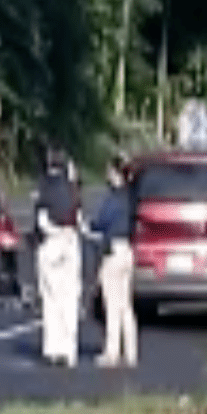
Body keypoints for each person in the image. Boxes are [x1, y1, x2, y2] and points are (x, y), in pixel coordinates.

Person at [32, 146, 84, 367]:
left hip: (52, 243)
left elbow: (41, 221)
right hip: (71, 242)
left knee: (50, 297)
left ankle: (52, 348)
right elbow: (80, 220)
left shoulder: (44, 186)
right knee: (70, 297)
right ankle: (69, 349)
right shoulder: (72, 190)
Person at [89, 155, 139, 368]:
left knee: (111, 304)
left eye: (110, 171)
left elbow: (100, 222)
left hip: (113, 253)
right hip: (128, 250)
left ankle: (112, 353)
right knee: (125, 305)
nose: (107, 175)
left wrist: (90, 226)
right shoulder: (131, 197)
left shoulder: (113, 199)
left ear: (116, 174)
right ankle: (131, 351)